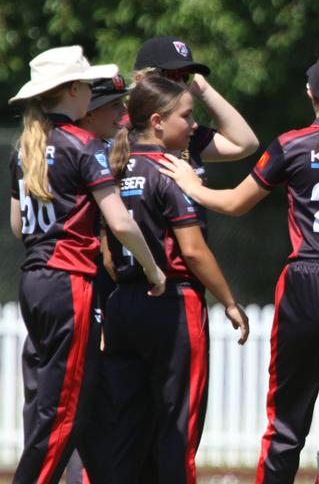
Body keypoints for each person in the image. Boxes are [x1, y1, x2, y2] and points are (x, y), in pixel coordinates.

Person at [160, 50, 319, 484]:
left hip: (308, 289)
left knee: (286, 425)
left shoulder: (291, 144)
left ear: (310, 94)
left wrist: (192, 185)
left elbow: (236, 204)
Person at [8, 45, 165, 484]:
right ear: (74, 90)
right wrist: (154, 270)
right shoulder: (83, 146)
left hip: (34, 282)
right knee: (64, 414)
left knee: (50, 405)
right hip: (70, 283)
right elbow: (119, 221)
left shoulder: (24, 148)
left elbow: (20, 226)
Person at [100, 75, 248, 484]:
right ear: (158, 121)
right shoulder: (170, 170)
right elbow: (194, 251)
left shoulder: (116, 165)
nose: (195, 124)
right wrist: (230, 302)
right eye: (187, 116)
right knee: (176, 430)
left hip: (123, 304)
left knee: (127, 430)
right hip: (172, 306)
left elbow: (107, 251)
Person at [66, 74, 130, 484]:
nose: (123, 115)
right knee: (80, 397)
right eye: (114, 107)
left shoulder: (103, 150)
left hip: (103, 289)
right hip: (82, 285)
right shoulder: (81, 153)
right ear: (88, 112)